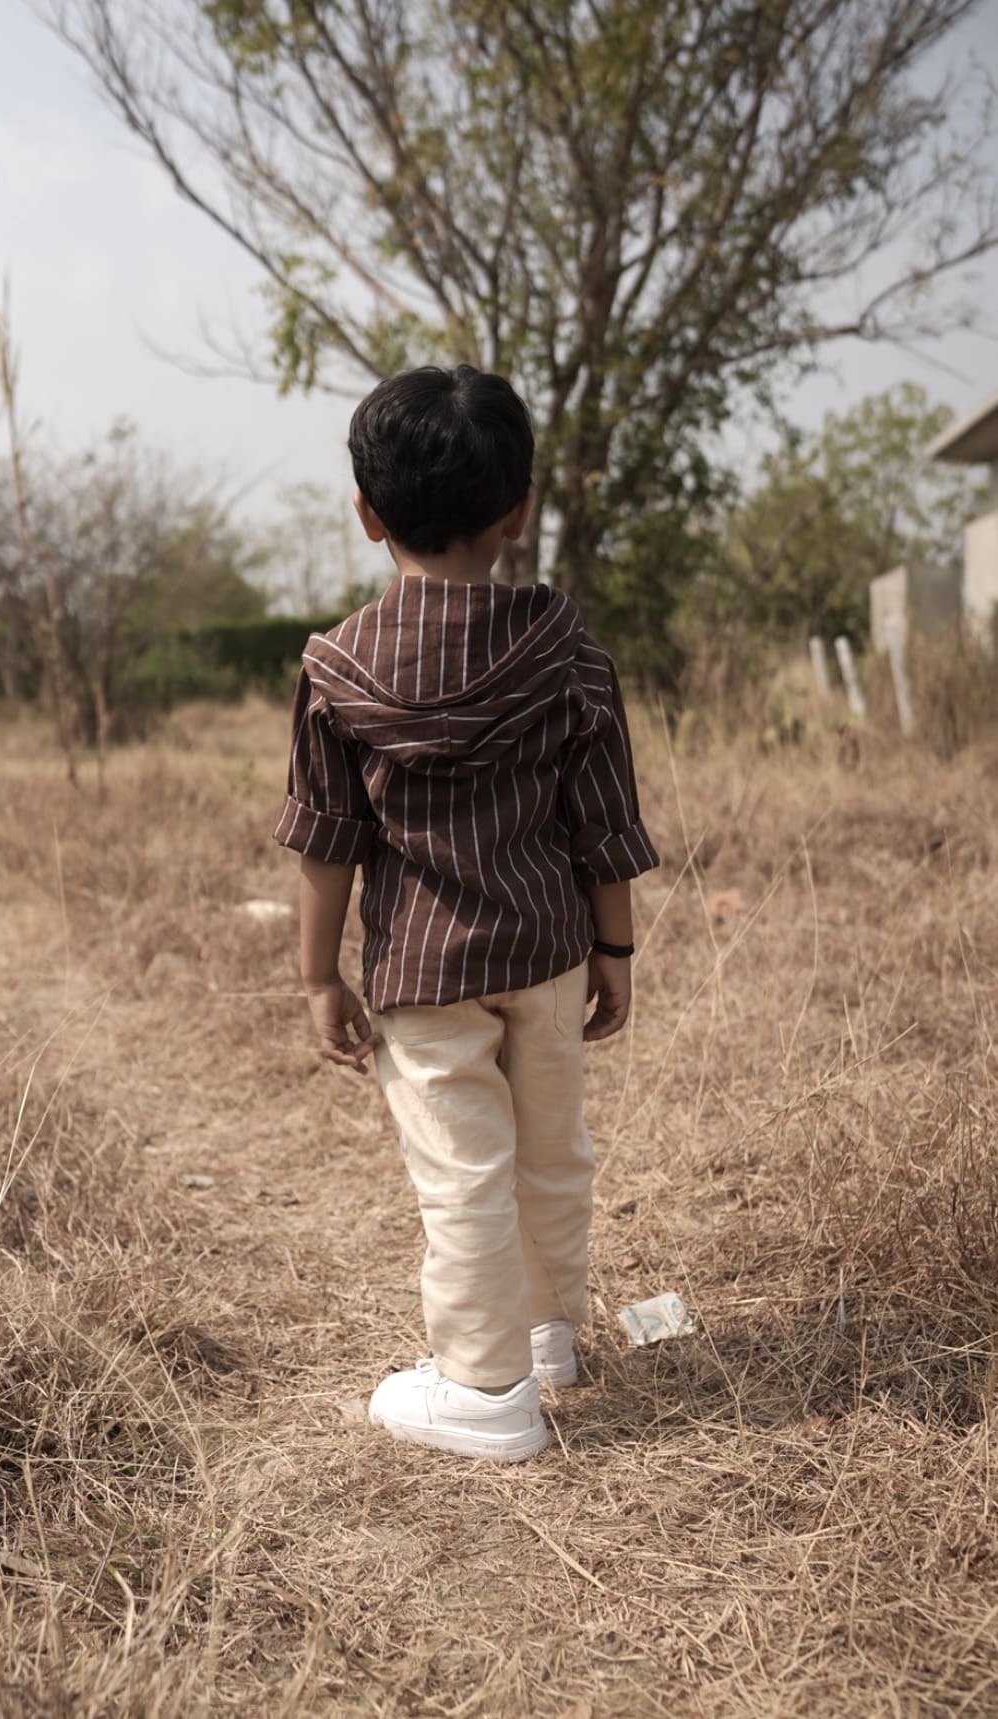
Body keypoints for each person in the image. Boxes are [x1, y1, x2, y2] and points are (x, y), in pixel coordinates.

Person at [274, 364, 659, 1461]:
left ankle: (489, 1393)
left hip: (424, 972)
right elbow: (603, 820)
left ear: (366, 514)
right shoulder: (568, 651)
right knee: (551, 1152)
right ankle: (548, 1339)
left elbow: (325, 839)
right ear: (518, 511)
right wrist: (615, 946)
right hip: (547, 951)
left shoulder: (337, 668)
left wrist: (317, 977)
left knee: (463, 1176)